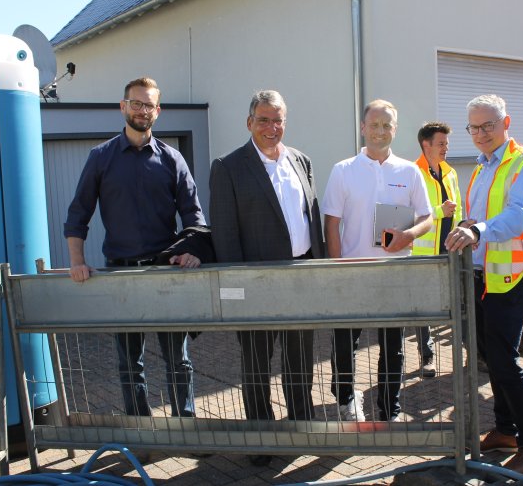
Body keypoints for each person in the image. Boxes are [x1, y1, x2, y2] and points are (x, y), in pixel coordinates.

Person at [64, 77, 206, 419]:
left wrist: (192, 249)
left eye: (149, 105)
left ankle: (185, 424)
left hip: (165, 270)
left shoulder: (173, 160)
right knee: (130, 359)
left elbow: (193, 214)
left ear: (158, 111)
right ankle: (140, 427)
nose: (143, 110)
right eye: (136, 103)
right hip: (121, 270)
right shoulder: (101, 158)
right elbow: (78, 212)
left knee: (178, 357)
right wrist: (77, 262)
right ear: (123, 106)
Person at [209, 90, 325, 467]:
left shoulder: (301, 160)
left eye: (278, 120)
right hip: (256, 281)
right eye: (264, 120)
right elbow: (224, 235)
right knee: (257, 362)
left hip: (302, 275)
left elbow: (313, 219)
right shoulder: (228, 167)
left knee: (300, 357)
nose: (272, 128)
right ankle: (261, 434)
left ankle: (302, 423)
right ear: (249, 122)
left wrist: (319, 271)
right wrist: (236, 291)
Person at [445, 94, 523, 476]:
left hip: (515, 277)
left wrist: (477, 230)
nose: (481, 133)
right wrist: (463, 231)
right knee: (489, 356)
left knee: (505, 360)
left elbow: (518, 216)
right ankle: (505, 431)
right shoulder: (481, 167)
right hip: (482, 276)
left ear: (506, 123)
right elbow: (476, 217)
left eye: (488, 125)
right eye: (474, 127)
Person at [323, 99, 432, 422]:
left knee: (392, 345)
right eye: (374, 125)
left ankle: (389, 407)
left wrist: (408, 235)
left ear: (395, 130)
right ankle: (345, 399)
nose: (380, 131)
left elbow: (427, 217)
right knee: (345, 344)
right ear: (363, 127)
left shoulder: (409, 171)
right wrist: (337, 268)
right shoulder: (344, 170)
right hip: (352, 272)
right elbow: (331, 223)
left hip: (393, 273)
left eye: (387, 126)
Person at [411, 121, 462, 377]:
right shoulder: (412, 173)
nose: (445, 148)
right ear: (426, 144)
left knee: (456, 303)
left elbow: (459, 209)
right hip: (422, 255)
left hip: (449, 249)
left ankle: (470, 355)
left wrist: (463, 229)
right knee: (424, 308)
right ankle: (427, 356)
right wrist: (440, 212)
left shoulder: (450, 173)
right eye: (441, 143)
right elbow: (407, 216)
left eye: (446, 143)